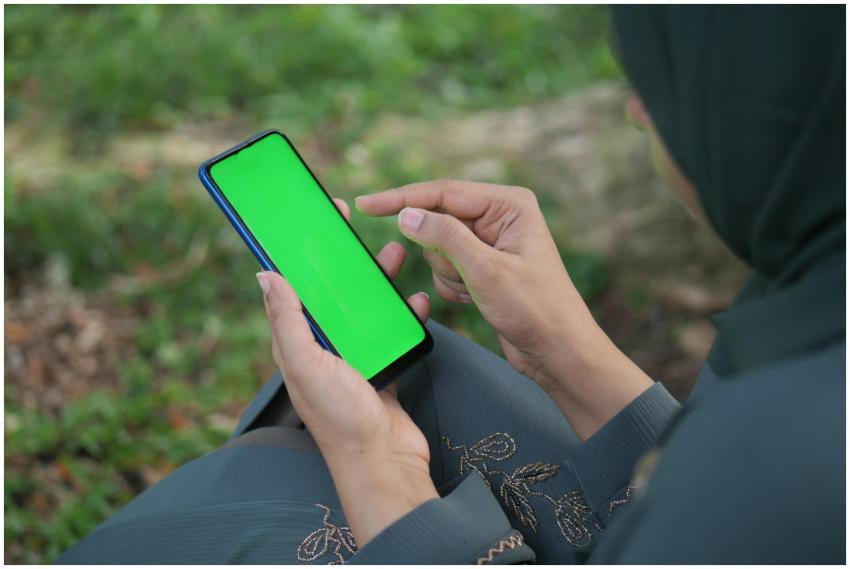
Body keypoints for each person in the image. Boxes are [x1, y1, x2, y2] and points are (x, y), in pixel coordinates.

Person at [57, 5, 844, 564]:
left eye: (669, 82)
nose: (638, 111)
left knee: (272, 509)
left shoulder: (779, 474)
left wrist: (377, 462)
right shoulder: (815, 311)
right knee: (432, 372)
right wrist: (564, 348)